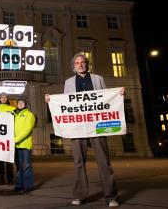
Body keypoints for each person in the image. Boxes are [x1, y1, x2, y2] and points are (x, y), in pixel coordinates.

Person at [45, 53, 123, 207]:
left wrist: (118, 95)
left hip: (97, 126)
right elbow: (66, 103)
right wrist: (51, 99)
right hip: (77, 127)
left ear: (87, 64)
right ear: (74, 66)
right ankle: (80, 195)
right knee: (78, 162)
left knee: (103, 162)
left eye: (83, 62)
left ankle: (111, 196)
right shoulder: (69, 82)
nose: (80, 65)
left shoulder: (98, 79)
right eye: (77, 63)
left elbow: (106, 99)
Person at [13, 96, 35, 194]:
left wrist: (16, 139)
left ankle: (27, 186)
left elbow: (27, 129)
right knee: (19, 166)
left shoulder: (29, 115)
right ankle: (19, 185)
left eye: (22, 103)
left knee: (26, 166)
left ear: (25, 104)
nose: (20, 104)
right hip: (17, 145)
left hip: (25, 145)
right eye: (19, 103)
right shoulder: (14, 115)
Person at [0, 93, 16, 185]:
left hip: (9, 137)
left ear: (7, 99)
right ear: (0, 99)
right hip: (0, 137)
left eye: (5, 97)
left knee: (9, 159)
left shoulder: (13, 109)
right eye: (2, 97)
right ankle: (1, 177)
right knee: (1, 159)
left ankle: (10, 178)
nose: (4, 98)